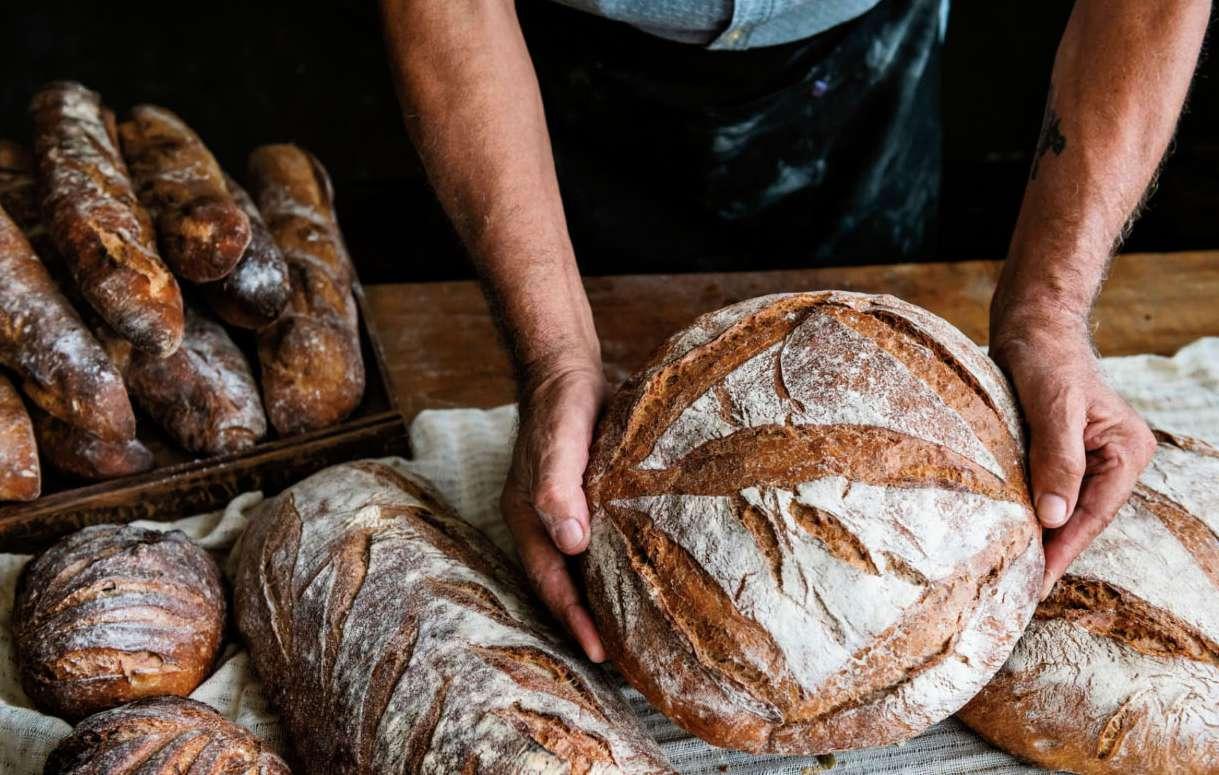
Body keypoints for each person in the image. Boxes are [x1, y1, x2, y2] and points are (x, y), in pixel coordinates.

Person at [381, 0, 1210, 662]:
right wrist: (553, 355)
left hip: (863, 59)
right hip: (536, 82)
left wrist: (1048, 312)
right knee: (606, 458)